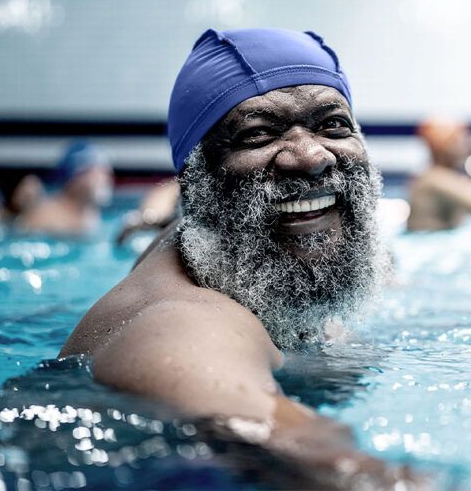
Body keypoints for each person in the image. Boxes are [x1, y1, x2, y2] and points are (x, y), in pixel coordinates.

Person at [60, 28, 418, 488]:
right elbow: (349, 476)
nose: (311, 156)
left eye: (332, 125)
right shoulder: (180, 330)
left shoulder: (226, 248)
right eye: (257, 134)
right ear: (194, 185)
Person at [16, 141, 114, 238]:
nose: (106, 179)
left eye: (106, 172)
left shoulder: (92, 214)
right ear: (74, 179)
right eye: (99, 172)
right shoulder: (43, 219)